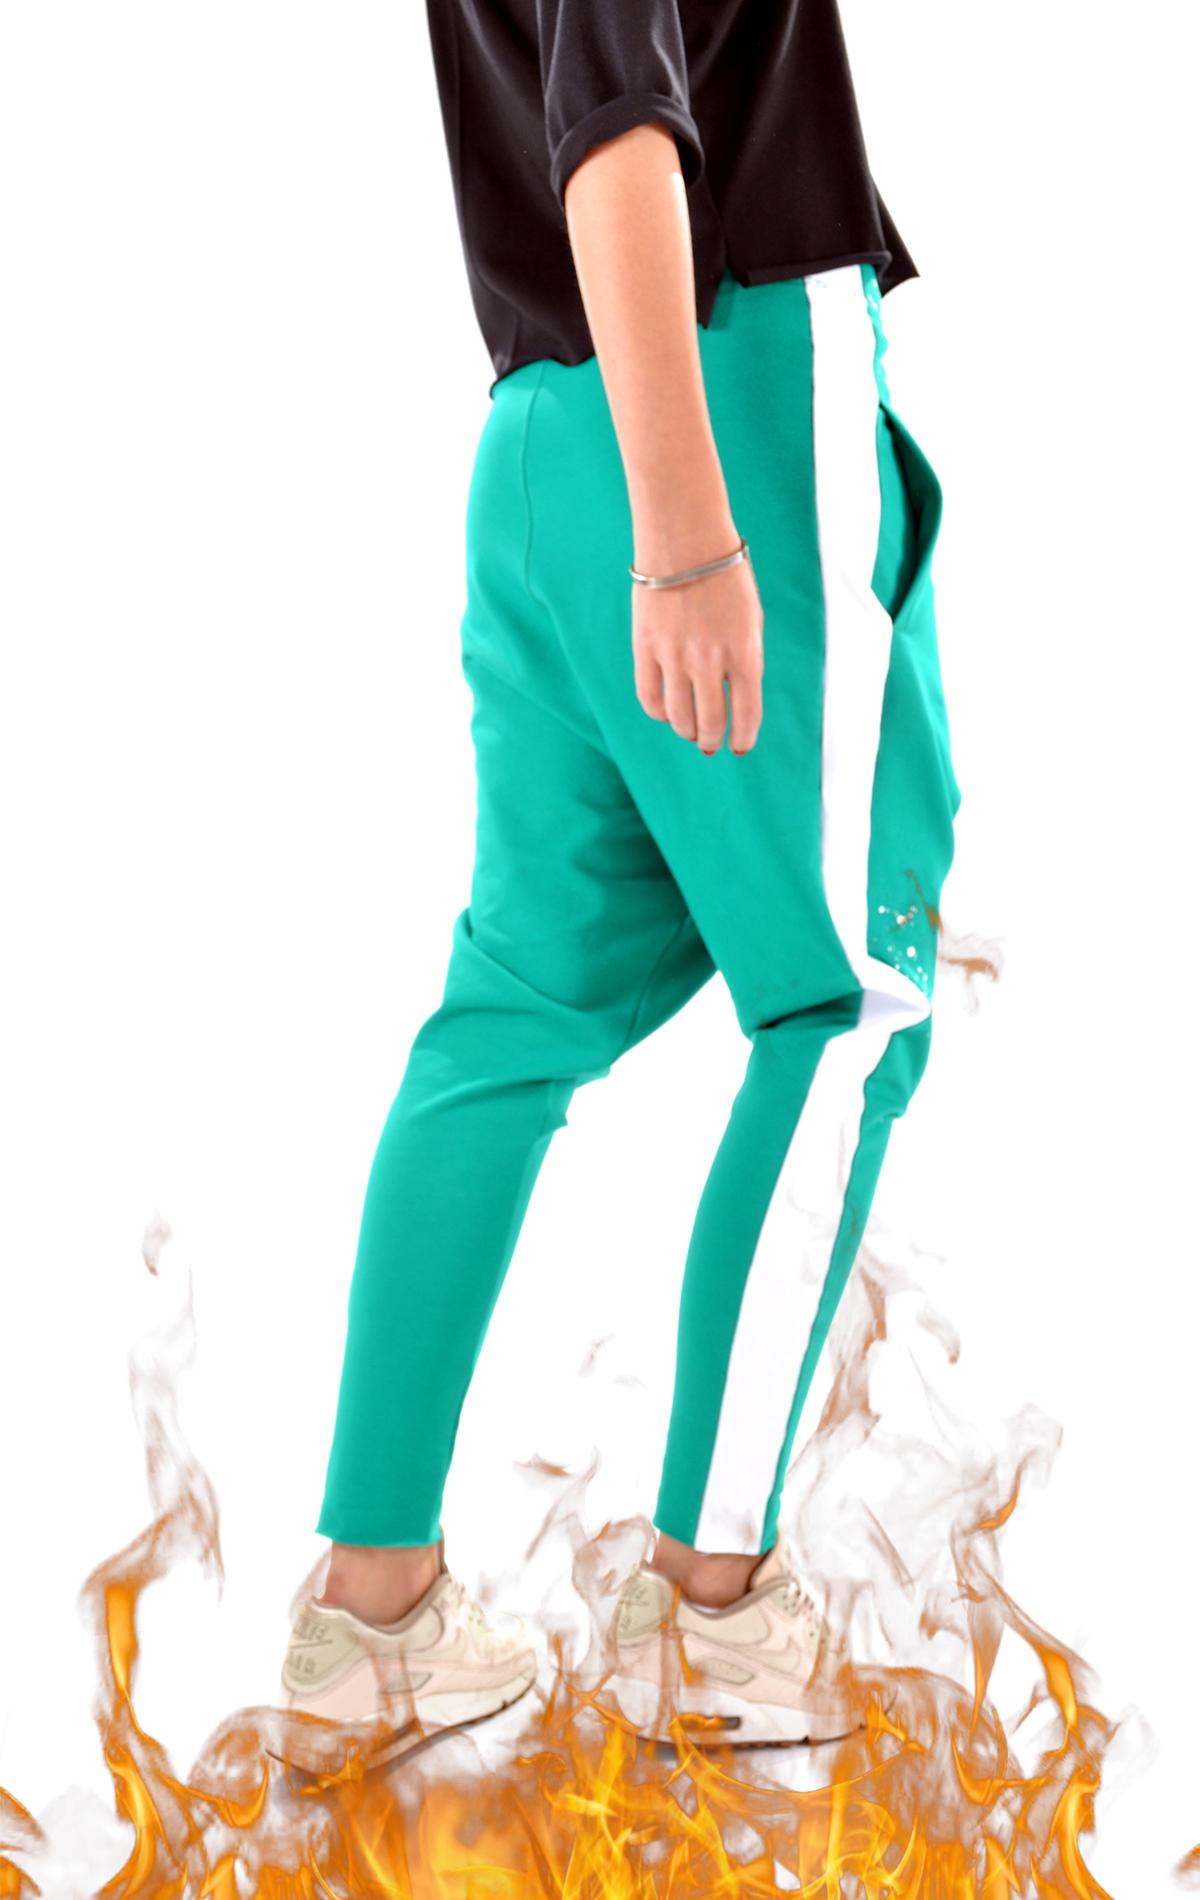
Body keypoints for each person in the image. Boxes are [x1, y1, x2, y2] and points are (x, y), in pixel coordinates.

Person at [276, 0, 962, 1759]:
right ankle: (711, 1611)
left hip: (539, 438)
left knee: (515, 1012)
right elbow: (619, 137)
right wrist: (689, 534)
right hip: (717, 405)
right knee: (850, 1002)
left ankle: (374, 1613)